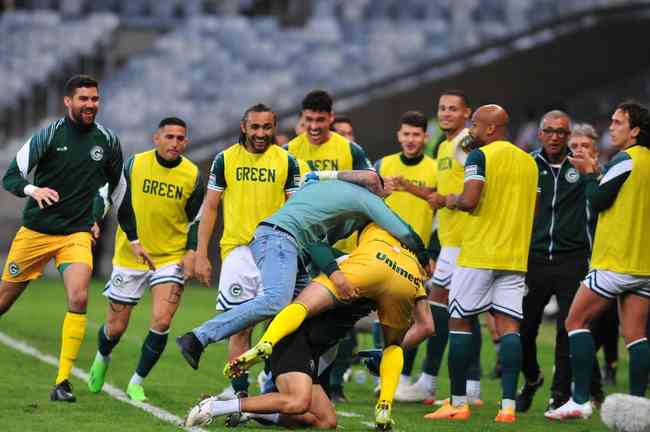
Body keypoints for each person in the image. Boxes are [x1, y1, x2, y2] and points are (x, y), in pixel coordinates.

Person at [177, 173, 429, 372]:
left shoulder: (319, 188)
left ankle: (282, 377)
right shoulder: (366, 199)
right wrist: (424, 258)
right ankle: (198, 337)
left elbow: (316, 243)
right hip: (280, 239)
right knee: (276, 300)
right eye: (384, 191)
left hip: (283, 243)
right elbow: (403, 230)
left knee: (306, 314)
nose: (385, 197)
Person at [224, 223, 434, 431]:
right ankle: (219, 405)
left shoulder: (365, 258)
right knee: (296, 401)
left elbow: (316, 246)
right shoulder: (401, 273)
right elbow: (314, 246)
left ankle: (250, 407)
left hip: (322, 346)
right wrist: (334, 273)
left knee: (325, 421)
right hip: (298, 340)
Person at [0, 75, 123, 402]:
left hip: (75, 234)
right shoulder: (48, 136)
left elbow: (113, 187)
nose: (90, 105)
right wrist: (33, 189)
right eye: (83, 99)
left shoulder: (108, 141)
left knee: (79, 298)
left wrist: (96, 215)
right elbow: (10, 177)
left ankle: (62, 382)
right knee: (3, 302)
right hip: (36, 233)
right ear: (68, 102)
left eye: (95, 99)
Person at [425, 105, 538, 423]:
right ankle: (507, 408)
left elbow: (470, 200)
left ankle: (458, 404)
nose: (470, 131)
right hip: (514, 257)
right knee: (509, 329)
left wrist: (450, 200)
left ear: (490, 129)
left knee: (459, 322)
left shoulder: (480, 157)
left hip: (478, 254)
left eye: (474, 125)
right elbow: (535, 208)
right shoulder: (529, 161)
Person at [545, 101, 650, 420]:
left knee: (574, 322)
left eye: (618, 123)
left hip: (614, 260)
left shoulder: (625, 158)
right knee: (635, 334)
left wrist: (591, 174)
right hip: (644, 265)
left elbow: (598, 200)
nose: (612, 127)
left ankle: (579, 401)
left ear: (634, 131)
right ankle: (638, 406)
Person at [86, 117, 203, 401]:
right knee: (115, 327)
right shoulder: (134, 164)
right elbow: (108, 194)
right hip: (130, 255)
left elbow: (197, 219)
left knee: (162, 321)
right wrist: (95, 218)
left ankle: (136, 381)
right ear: (156, 139)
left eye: (180, 138)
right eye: (169, 137)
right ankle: (103, 355)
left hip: (169, 257)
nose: (175, 143)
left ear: (185, 142)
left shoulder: (192, 174)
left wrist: (191, 251)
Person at [196, 103, 300, 402]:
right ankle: (238, 392)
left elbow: (294, 210)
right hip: (238, 252)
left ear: (274, 126)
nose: (260, 133)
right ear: (244, 127)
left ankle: (272, 388)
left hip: (277, 251)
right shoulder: (225, 159)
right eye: (254, 127)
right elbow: (211, 208)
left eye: (266, 127)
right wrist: (201, 252)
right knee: (240, 328)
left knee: (277, 328)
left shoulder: (287, 162)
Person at [515, 111, 596, 413]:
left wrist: (591, 173)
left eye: (561, 132)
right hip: (533, 260)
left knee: (567, 330)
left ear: (568, 135)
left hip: (571, 260)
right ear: (539, 134)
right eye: (548, 131)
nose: (554, 136)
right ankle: (532, 377)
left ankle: (559, 394)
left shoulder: (582, 167)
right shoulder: (527, 166)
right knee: (522, 330)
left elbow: (599, 200)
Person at [408, 90, 484, 406]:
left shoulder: (467, 142)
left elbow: (477, 184)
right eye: (442, 108)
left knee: (457, 309)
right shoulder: (442, 145)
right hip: (451, 239)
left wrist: (450, 201)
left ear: (466, 113)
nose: (446, 114)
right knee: (452, 308)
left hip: (468, 239)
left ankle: (459, 385)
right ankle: (443, 382)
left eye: (453, 109)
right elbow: (441, 192)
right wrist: (407, 187)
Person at [374, 110, 438, 402]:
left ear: (425, 137)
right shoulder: (383, 165)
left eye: (416, 134)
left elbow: (443, 214)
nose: (411, 139)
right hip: (384, 251)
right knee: (383, 317)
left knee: (413, 320)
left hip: (418, 255)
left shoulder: (436, 168)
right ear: (398, 135)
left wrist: (433, 251)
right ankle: (383, 376)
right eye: (406, 134)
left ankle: (400, 377)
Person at [285, 90, 373, 253]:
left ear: (331, 117)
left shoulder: (351, 150)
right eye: (309, 120)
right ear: (302, 117)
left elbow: (372, 188)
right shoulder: (288, 152)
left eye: (320, 120)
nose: (313, 127)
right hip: (303, 248)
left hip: (346, 248)